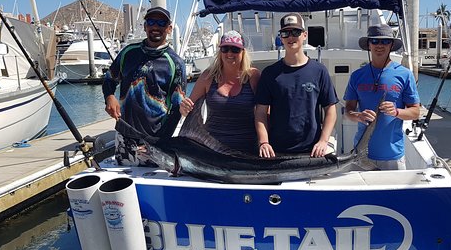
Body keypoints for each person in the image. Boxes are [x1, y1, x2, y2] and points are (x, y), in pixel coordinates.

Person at [102, 6, 186, 166]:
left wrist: (160, 142)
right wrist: (109, 97)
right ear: (145, 26)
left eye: (161, 23)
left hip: (154, 141)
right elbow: (109, 80)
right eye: (151, 21)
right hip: (124, 136)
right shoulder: (128, 53)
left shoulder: (176, 63)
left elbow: (177, 109)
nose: (155, 26)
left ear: (169, 28)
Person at [255, 12, 338, 158]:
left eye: (295, 32)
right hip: (276, 152)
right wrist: (264, 142)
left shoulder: (319, 71)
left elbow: (330, 110)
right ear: (281, 37)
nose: (291, 37)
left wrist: (323, 141)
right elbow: (261, 112)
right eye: (285, 33)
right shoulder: (269, 73)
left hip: (313, 152)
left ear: (304, 35)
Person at [343, 24, 420, 170]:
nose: (380, 45)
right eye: (375, 41)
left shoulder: (404, 74)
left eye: (385, 41)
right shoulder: (357, 76)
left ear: (391, 45)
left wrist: (396, 112)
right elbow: (347, 112)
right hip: (360, 155)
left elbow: (415, 112)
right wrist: (359, 116)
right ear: (368, 44)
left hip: (393, 156)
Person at [179, 30, 261, 152]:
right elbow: (188, 110)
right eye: (225, 49)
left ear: (243, 52)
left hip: (247, 149)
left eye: (235, 49)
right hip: (212, 149)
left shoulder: (254, 76)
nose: (229, 53)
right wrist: (183, 107)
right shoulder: (207, 76)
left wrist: (264, 142)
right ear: (220, 52)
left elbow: (264, 113)